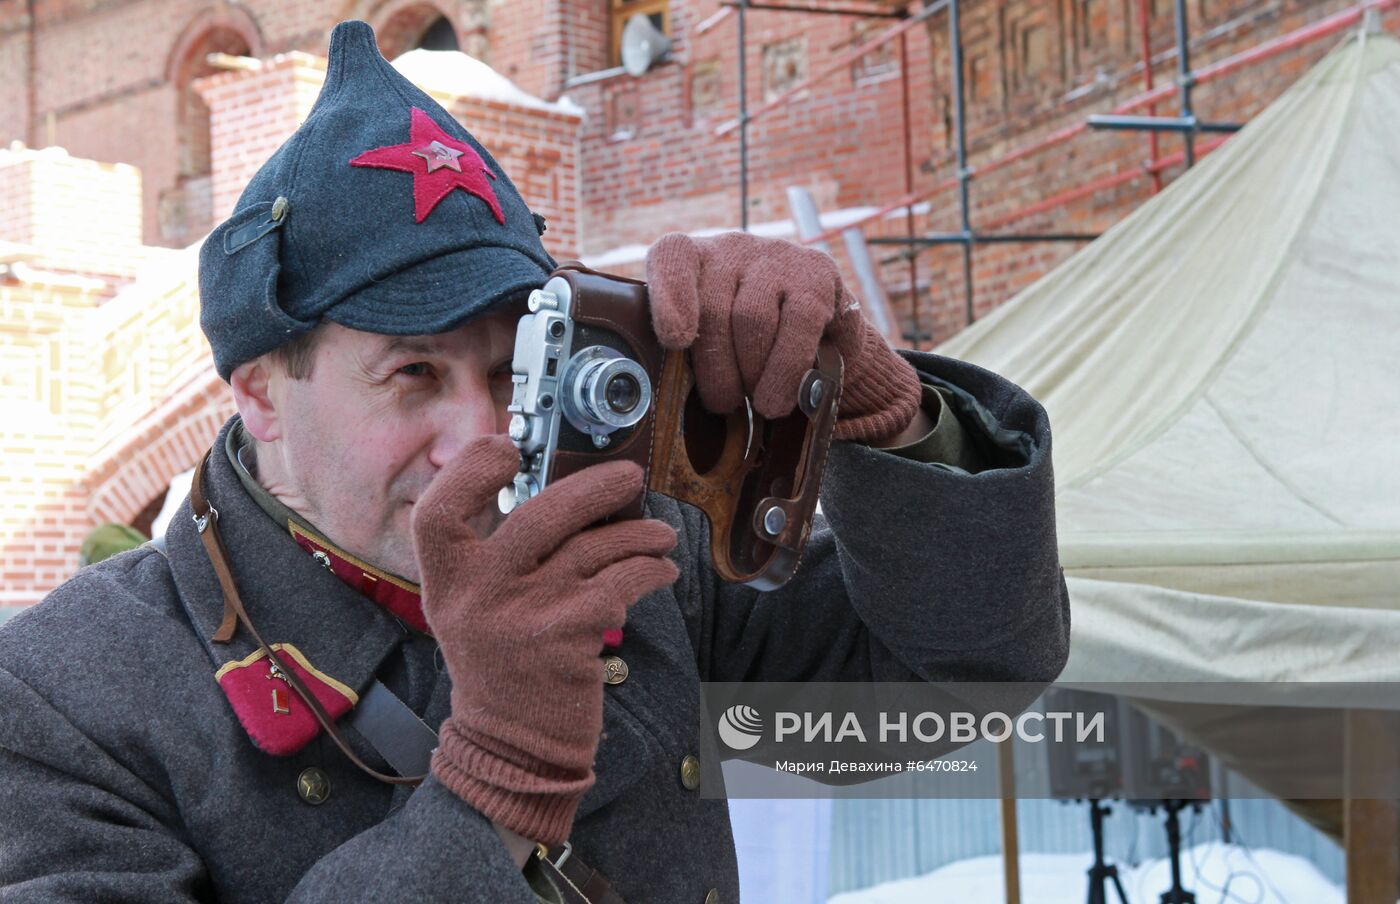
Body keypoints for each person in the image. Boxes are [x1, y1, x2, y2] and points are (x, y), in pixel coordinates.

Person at [0, 20, 1069, 904]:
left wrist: (888, 420)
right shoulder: (66, 692)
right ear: (258, 394)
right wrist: (490, 783)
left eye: (515, 370)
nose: (484, 437)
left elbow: (963, 683)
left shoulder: (649, 562)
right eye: (413, 375)